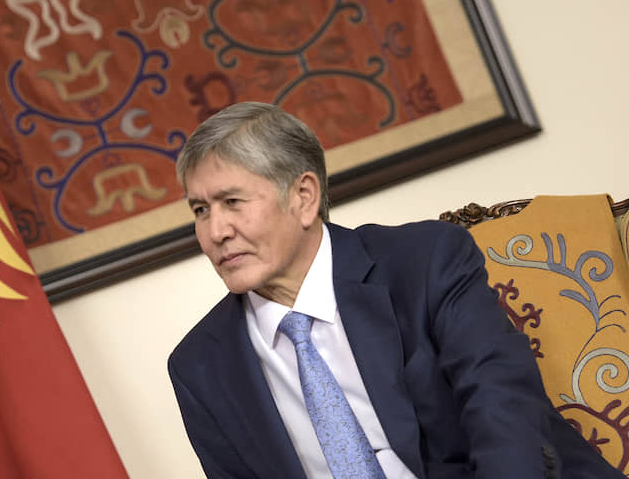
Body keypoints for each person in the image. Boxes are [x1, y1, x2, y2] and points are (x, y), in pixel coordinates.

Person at [167, 101, 621, 478]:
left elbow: (505, 414)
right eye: (201, 210)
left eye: (232, 202)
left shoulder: (426, 263)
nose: (216, 231)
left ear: (303, 197)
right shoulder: (200, 366)